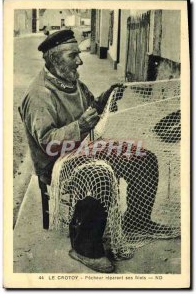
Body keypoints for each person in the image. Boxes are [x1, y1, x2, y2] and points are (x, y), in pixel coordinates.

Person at [19, 29, 177, 273]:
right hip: (56, 163)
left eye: (78, 55)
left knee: (143, 158)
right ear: (54, 59)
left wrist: (105, 98)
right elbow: (49, 144)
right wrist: (81, 124)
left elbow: (90, 107)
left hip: (83, 149)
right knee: (97, 175)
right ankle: (85, 248)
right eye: (74, 55)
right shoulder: (39, 95)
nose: (80, 60)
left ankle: (137, 221)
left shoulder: (71, 81)